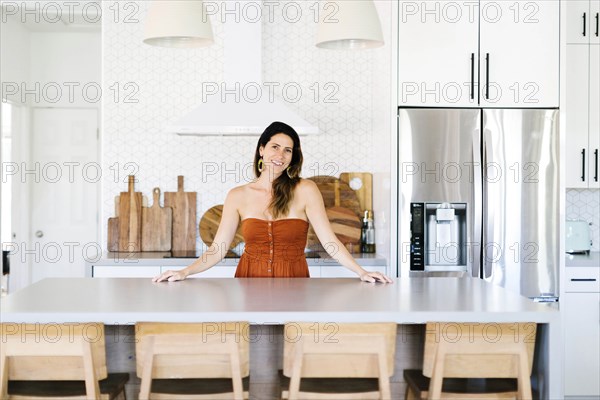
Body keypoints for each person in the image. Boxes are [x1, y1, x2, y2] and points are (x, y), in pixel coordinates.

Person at [153, 121, 392, 283]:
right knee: (252, 350)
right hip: (248, 280)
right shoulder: (237, 195)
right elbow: (217, 250)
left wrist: (361, 272)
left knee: (290, 350)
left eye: (288, 150)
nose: (280, 155)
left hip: (294, 281)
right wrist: (184, 272)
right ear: (261, 150)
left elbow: (330, 241)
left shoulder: (306, 190)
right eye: (275, 147)